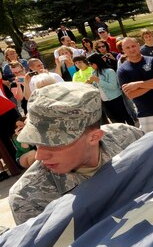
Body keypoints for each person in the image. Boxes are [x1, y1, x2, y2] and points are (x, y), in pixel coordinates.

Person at [8, 82, 144, 224]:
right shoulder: (28, 198)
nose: (39, 156)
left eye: (53, 144)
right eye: (36, 142)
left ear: (94, 137)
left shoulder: (128, 138)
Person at [85, 52, 133, 125]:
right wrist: (89, 83)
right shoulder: (94, 73)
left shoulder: (109, 71)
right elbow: (96, 87)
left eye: (91, 64)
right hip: (104, 100)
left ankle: (133, 129)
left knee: (124, 115)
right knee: (113, 119)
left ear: (96, 62)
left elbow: (113, 86)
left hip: (115, 98)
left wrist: (98, 80)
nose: (90, 66)